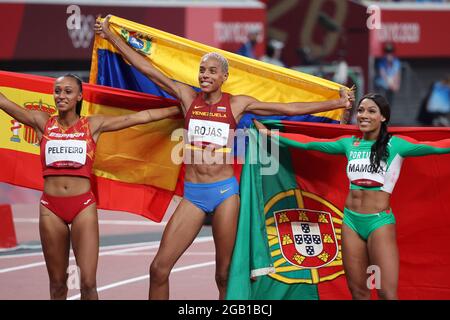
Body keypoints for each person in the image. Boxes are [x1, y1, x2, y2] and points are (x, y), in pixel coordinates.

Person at [94, 15, 354, 300]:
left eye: (211, 71)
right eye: (202, 70)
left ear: (223, 77)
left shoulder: (238, 103)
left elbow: (288, 108)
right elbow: (146, 67)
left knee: (224, 273)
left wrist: (337, 102)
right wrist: (111, 37)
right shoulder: (186, 96)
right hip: (193, 195)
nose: (205, 75)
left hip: (225, 194)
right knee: (158, 268)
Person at [253, 93, 450, 300]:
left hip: (379, 223)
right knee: (358, 293)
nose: (364, 115)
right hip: (351, 222)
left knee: (386, 294)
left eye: (371, 111)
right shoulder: (349, 144)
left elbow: (437, 147)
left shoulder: (397, 145)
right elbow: (310, 143)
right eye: (361, 110)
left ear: (383, 117)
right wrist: (271, 135)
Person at [0, 74, 180, 300]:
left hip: (82, 207)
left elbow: (142, 117)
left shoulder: (93, 124)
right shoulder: (42, 122)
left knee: (87, 284)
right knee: (57, 285)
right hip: (50, 208)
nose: (61, 96)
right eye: (57, 91)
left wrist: (179, 109)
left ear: (79, 96)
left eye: (67, 91)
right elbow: (4, 102)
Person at [374, 43, 401, 107]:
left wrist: (397, 84)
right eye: (387, 52)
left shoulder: (396, 62)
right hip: (382, 85)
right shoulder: (382, 62)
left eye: (390, 52)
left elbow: (397, 75)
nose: (389, 55)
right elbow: (383, 75)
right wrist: (390, 84)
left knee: (389, 102)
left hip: (391, 86)